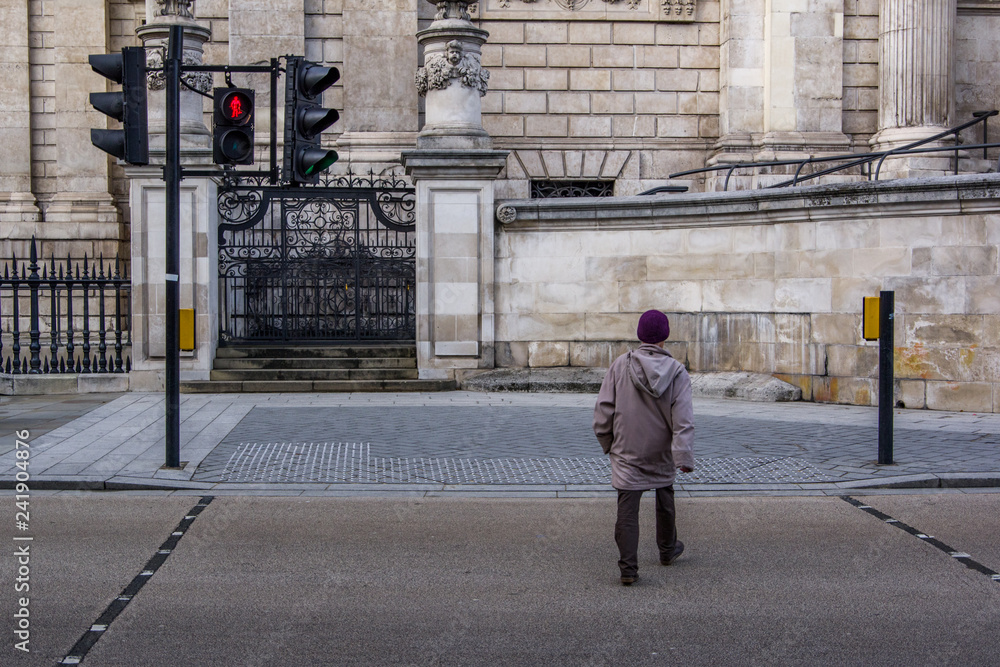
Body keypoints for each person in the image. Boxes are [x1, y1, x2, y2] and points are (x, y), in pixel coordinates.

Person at [593, 309, 695, 586]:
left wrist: (608, 443)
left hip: (626, 449)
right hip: (661, 450)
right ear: (665, 336)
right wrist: (682, 456)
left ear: (640, 335)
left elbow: (603, 410)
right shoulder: (677, 372)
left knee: (627, 506)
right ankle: (667, 550)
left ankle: (628, 569)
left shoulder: (620, 365)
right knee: (665, 495)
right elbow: (683, 419)